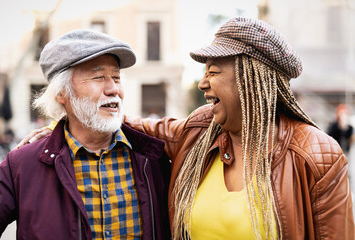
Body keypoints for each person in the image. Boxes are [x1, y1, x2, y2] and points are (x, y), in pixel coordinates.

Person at [18, 17, 355, 239]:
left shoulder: (315, 155)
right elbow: (141, 127)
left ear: (251, 78)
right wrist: (65, 121)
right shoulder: (199, 131)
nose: (203, 83)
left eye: (214, 70)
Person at [0, 29, 171, 240]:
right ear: (62, 93)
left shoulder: (153, 157)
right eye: (98, 77)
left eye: (116, 77)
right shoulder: (23, 165)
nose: (113, 88)